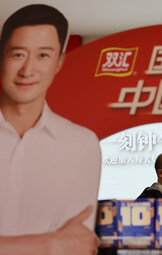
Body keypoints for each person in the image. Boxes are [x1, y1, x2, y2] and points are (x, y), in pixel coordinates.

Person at [0, 4, 101, 255]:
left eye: (43, 55)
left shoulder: (81, 144)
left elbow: (75, 245)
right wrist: (48, 244)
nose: (27, 71)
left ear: (59, 62)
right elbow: (60, 245)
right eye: (18, 54)